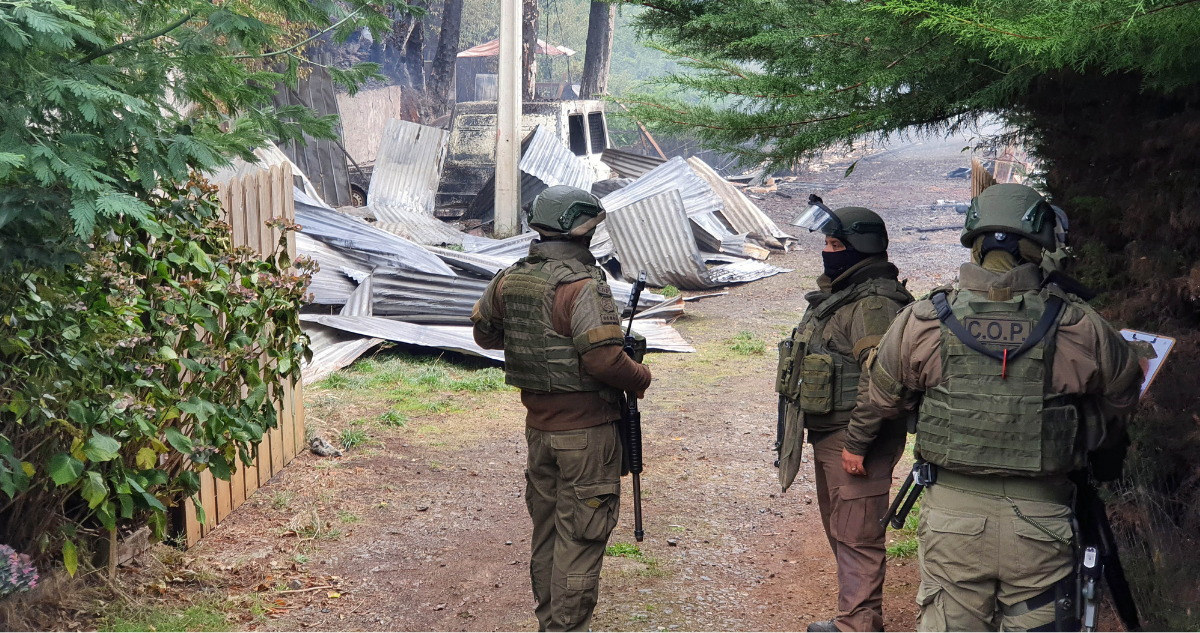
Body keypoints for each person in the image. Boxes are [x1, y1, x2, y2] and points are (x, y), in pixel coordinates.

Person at [846, 183, 1145, 631]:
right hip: (1043, 518)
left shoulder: (925, 318)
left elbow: (884, 399)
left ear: (976, 241)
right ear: (1039, 243)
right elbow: (1124, 395)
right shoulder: (1078, 324)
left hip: (953, 515)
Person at [471, 186, 652, 632]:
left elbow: (485, 334)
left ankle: (550, 622)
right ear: (584, 232)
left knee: (549, 534)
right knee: (581, 538)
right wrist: (641, 377)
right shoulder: (584, 286)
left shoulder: (511, 277)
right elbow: (603, 360)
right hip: (587, 435)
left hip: (540, 432)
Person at [776, 200, 914, 632]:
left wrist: (858, 443)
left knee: (858, 535)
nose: (828, 251)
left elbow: (886, 381)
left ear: (861, 248)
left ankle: (857, 626)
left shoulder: (873, 305)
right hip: (832, 434)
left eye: (836, 244)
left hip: (855, 437)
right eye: (828, 243)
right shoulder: (845, 295)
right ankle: (859, 617)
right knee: (842, 528)